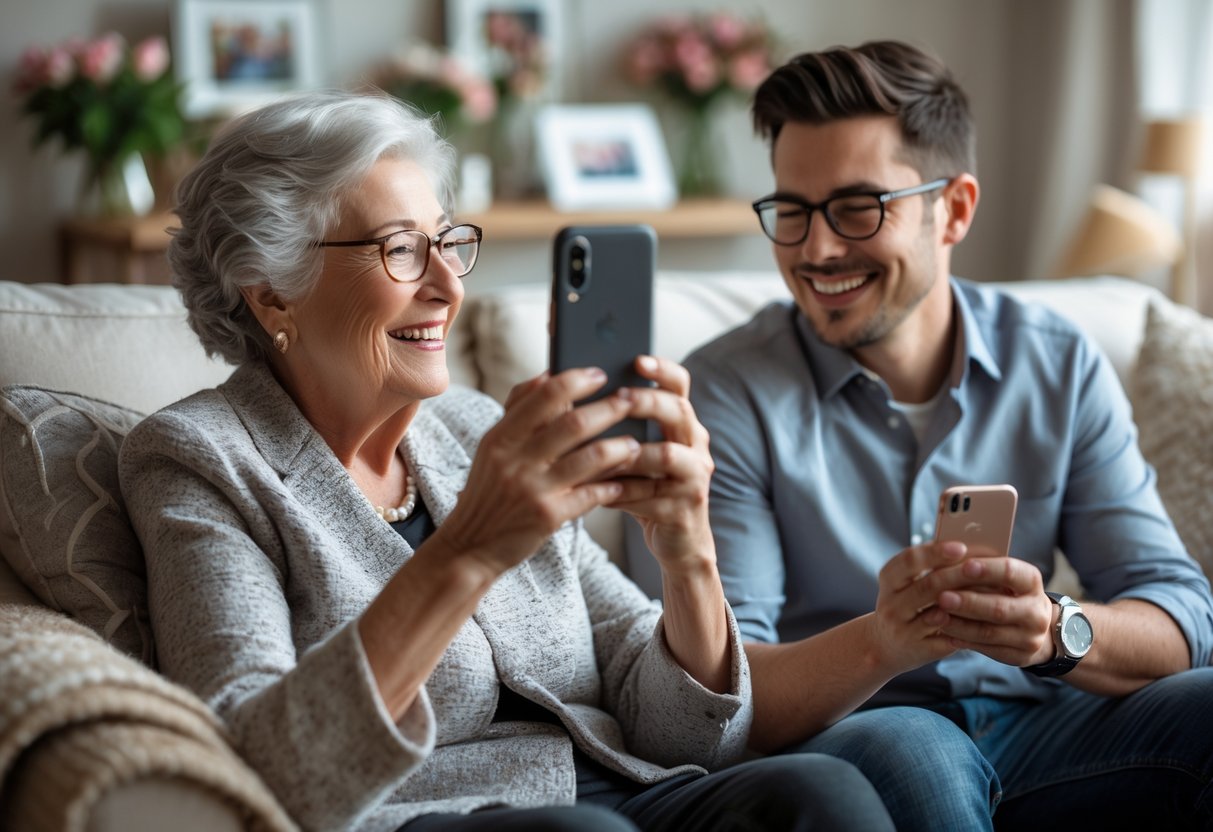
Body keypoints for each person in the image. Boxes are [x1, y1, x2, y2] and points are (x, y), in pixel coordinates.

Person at [117, 90, 895, 832]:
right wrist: (469, 549)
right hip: (434, 818)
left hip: (622, 795)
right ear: (271, 294)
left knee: (820, 790)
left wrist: (687, 553)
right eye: (400, 250)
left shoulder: (471, 427)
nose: (448, 285)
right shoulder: (200, 461)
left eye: (447, 242)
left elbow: (677, 731)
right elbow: (261, 769)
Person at [676, 41, 1213, 830]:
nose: (815, 250)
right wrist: (885, 643)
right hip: (859, 740)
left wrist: (1053, 630)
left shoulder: (1057, 364)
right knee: (912, 747)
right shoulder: (725, 392)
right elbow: (722, 699)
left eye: (856, 208)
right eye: (790, 211)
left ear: (954, 209)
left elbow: (1181, 616)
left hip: (1044, 725)